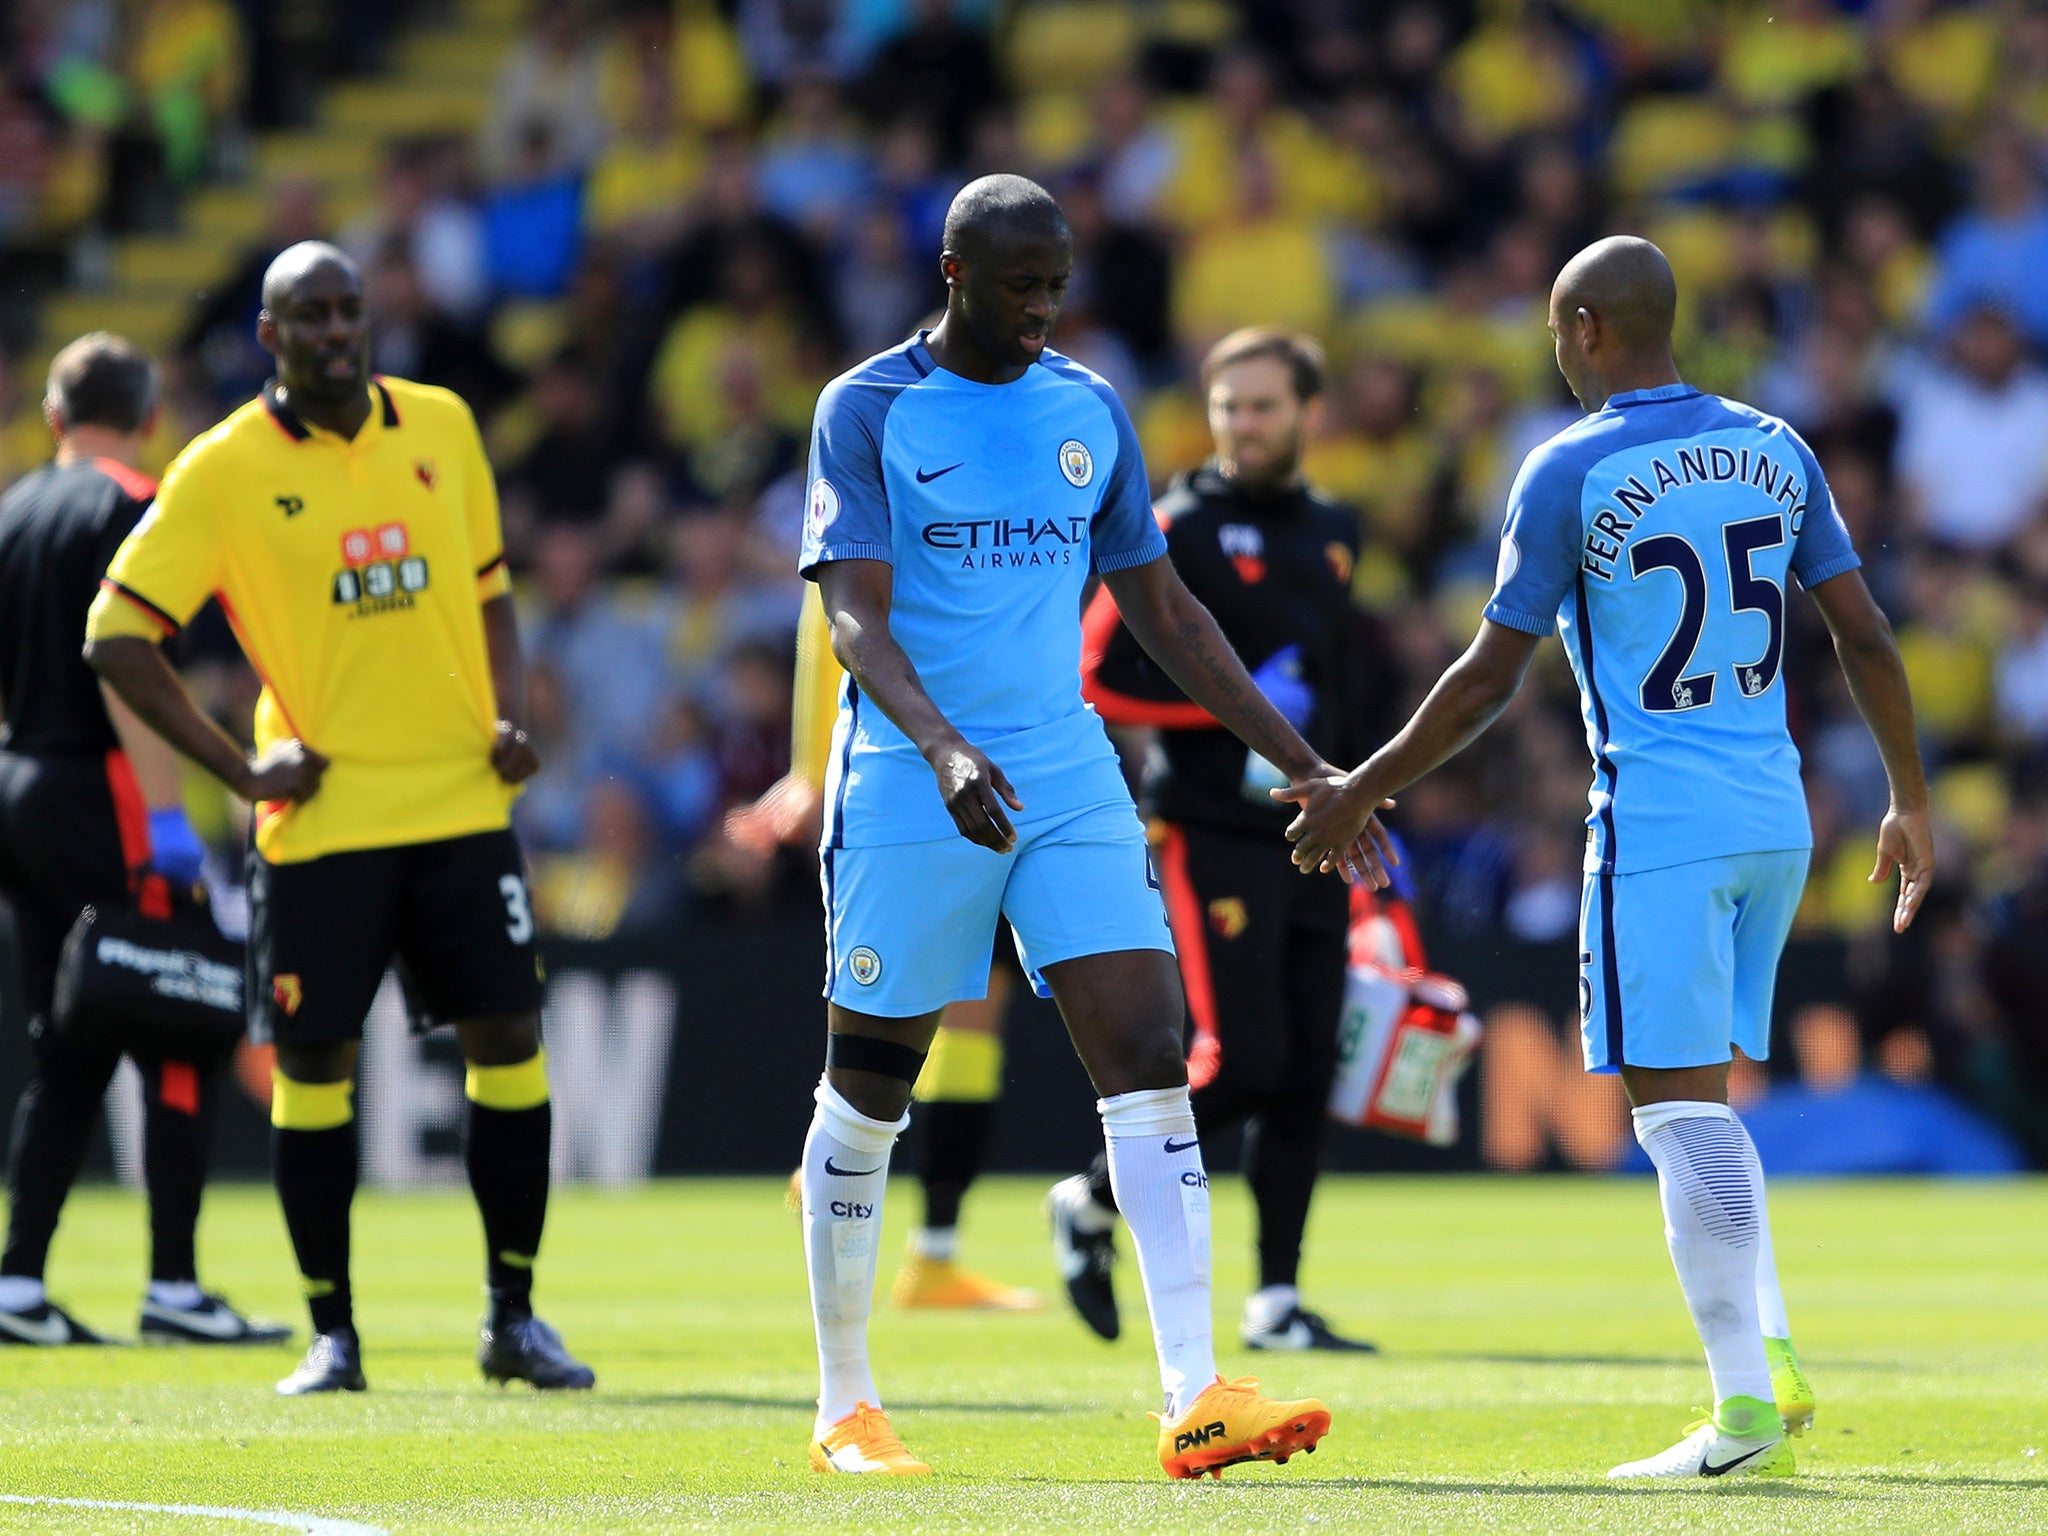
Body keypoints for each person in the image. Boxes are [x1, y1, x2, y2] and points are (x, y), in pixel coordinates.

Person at [1283, 236, 1934, 1481]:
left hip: (1658, 825)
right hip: (1773, 815)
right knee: (1706, 1104)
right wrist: (1906, 797)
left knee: (1677, 1118)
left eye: (1549, 333)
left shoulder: (1570, 465)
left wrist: (1357, 785)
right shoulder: (1773, 444)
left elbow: (1484, 678)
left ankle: (1745, 1417)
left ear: (1584, 328)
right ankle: (1774, 1353)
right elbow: (1861, 628)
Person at [793, 174, 1395, 1480]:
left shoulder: (1086, 407)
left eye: (1059, 285)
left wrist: (1305, 766)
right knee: (871, 1084)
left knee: (1150, 1049)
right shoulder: (870, 409)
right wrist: (941, 741)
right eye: (1021, 286)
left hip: (1065, 774)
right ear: (953, 273)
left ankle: (1195, 1396)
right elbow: (852, 615)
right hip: (911, 774)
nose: (1044, 310)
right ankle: (847, 1399)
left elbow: (1169, 615)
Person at [83, 243, 595, 1398]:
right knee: (315, 1067)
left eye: (347, 310)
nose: (332, 330)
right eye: (306, 315)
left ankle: (513, 1317)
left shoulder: (444, 425)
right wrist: (239, 771)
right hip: (321, 825)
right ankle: (335, 1337)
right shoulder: (221, 470)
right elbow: (115, 631)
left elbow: (490, 593)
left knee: (508, 1045)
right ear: (267, 336)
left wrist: (509, 717)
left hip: (461, 803)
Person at [1046, 327, 1375, 1354]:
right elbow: (1097, 674)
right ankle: (1090, 1198)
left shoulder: (1333, 528)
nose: (1243, 424)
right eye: (1229, 405)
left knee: (1309, 1062)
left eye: (1264, 405)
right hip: (1211, 830)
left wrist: (1353, 794)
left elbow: (1331, 679)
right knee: (1246, 1058)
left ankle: (1275, 1302)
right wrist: (1231, 717)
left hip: (1311, 824)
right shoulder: (1175, 525)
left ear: (1307, 415)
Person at [0, 333, 287, 1347]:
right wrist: (167, 820)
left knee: (65, 1036)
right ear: (150, 416)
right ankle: (172, 1283)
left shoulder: (16, 506)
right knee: (177, 1016)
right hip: (106, 791)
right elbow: (128, 667)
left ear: (53, 416)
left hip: (19, 786)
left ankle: (19, 1282)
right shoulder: (131, 503)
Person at [730, 583, 1041, 1312]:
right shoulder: (880, 478)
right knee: (900, 1001)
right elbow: (830, 617)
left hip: (995, 765)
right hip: (901, 777)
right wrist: (812, 770)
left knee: (971, 1013)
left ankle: (933, 1253)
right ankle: (847, 1154)